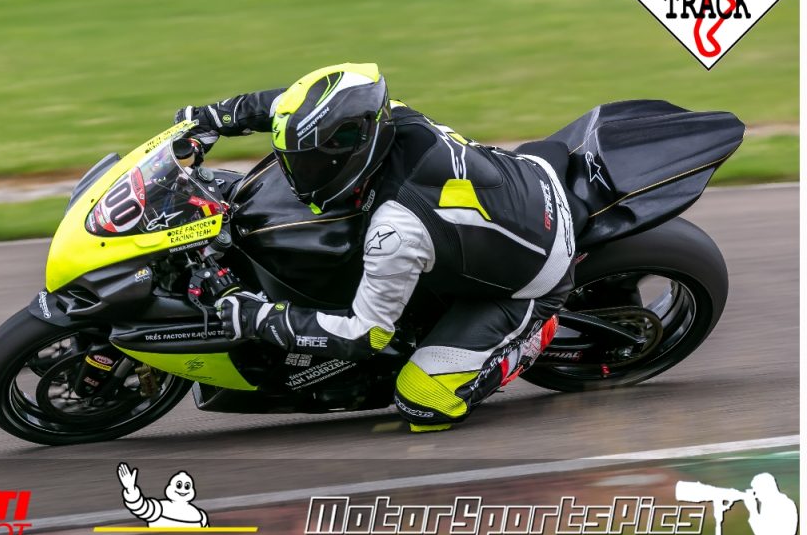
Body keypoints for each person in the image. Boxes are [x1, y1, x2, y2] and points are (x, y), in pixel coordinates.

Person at [176, 63, 577, 432]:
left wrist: (258, 317)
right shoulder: (385, 115)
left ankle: (536, 334)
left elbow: (365, 336)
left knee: (423, 402)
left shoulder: (396, 229)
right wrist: (212, 117)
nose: (298, 175)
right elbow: (290, 108)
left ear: (350, 150)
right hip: (522, 183)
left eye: (310, 163)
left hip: (537, 271)